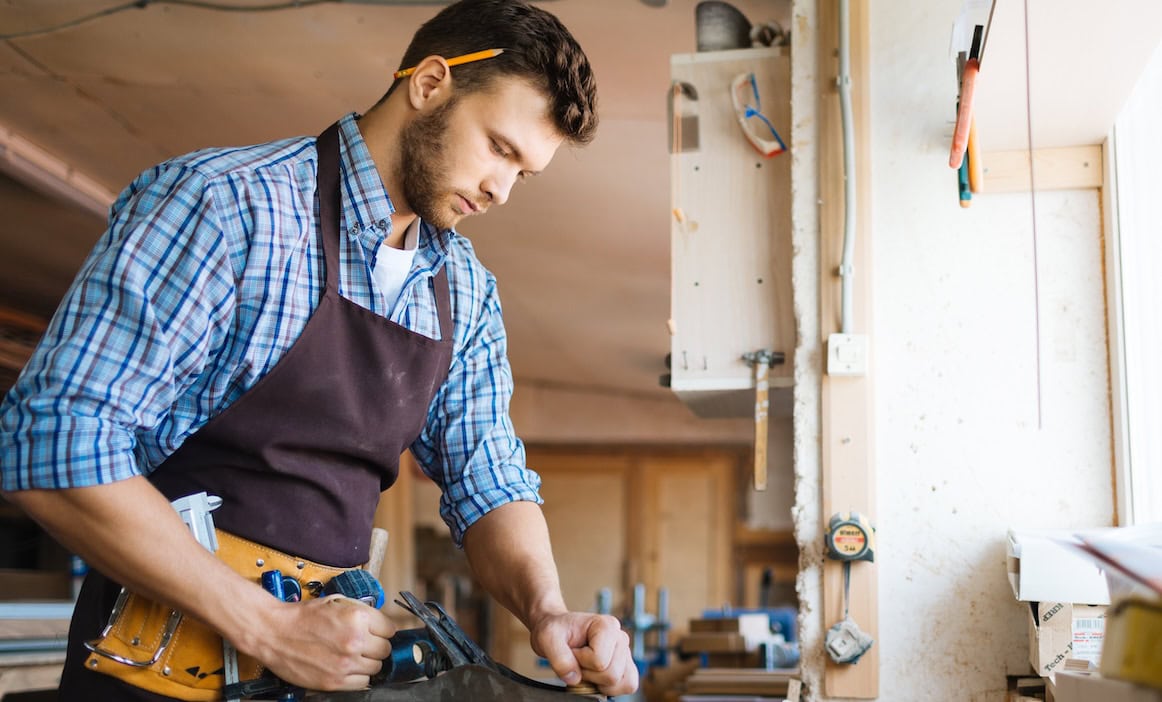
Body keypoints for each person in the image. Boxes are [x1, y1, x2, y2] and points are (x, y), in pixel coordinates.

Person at [0, 0, 638, 698]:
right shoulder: (227, 206)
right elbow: (51, 440)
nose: (502, 189)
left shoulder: (465, 290)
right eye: (500, 148)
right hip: (154, 675)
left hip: (315, 678)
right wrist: (267, 627)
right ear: (429, 84)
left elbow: (488, 480)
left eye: (526, 173)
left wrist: (548, 610)